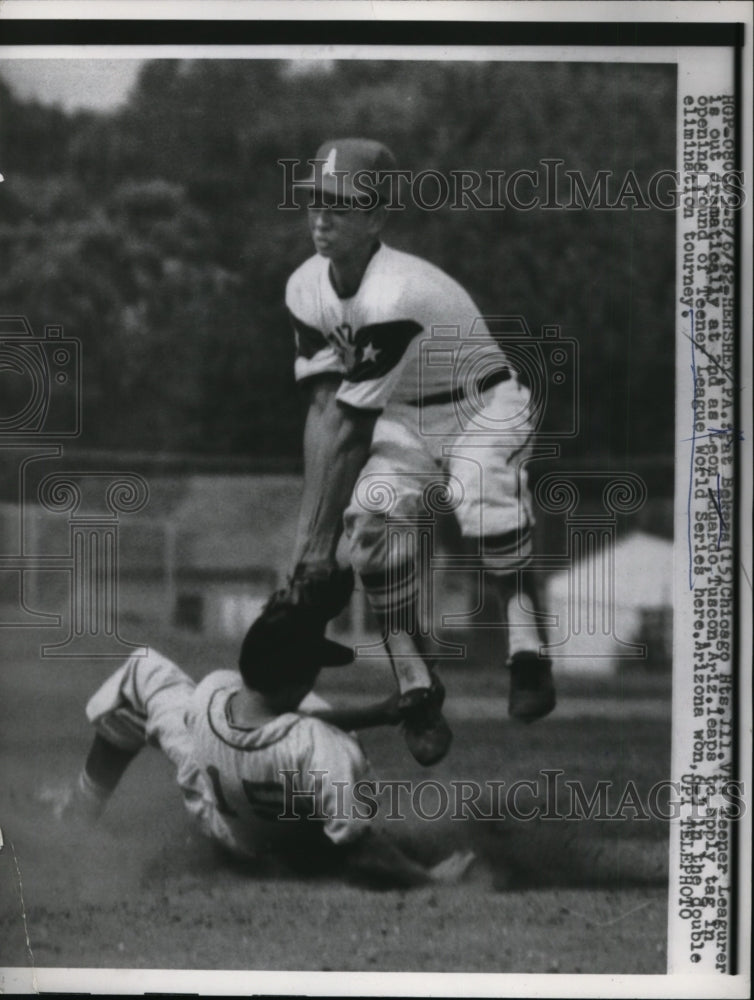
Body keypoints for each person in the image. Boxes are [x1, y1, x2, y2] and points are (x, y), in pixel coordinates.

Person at [272, 138, 555, 768]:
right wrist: (307, 546)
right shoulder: (303, 287)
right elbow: (322, 412)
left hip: (482, 403)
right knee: (369, 521)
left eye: (340, 206)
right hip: (403, 418)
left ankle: (529, 648)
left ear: (375, 218)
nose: (321, 218)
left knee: (480, 494)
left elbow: (348, 427)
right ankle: (415, 685)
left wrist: (314, 553)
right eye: (314, 202)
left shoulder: (396, 291)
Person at [55, 611, 474, 889]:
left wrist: (378, 713)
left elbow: (276, 718)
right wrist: (426, 878)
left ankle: (80, 810)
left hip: (216, 813)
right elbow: (362, 849)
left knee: (143, 673)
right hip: (294, 845)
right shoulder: (322, 747)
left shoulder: (210, 696)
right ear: (297, 683)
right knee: (335, 763)